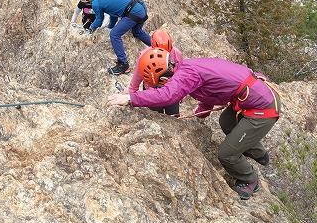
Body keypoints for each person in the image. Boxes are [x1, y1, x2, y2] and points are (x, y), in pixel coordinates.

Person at [106, 50, 281, 199]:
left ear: (163, 76)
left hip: (262, 107)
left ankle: (250, 179)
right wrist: (202, 111)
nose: (161, 85)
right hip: (255, 94)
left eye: (159, 83)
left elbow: (167, 95)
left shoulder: (187, 75)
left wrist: (130, 98)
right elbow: (209, 92)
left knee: (226, 154)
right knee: (226, 121)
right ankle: (258, 152)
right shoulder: (187, 66)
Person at [77, 0, 151, 75]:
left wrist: (91, 28)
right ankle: (160, 47)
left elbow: (99, 20)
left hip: (133, 13)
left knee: (114, 34)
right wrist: (110, 27)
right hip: (140, 6)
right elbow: (113, 13)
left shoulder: (96, 2)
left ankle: (123, 64)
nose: (86, 1)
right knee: (137, 32)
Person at [126, 29, 184, 115]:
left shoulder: (176, 53)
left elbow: (180, 74)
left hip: (171, 90)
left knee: (173, 116)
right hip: (152, 90)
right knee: (155, 115)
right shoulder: (144, 55)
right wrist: (131, 93)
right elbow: (138, 75)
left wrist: (181, 93)